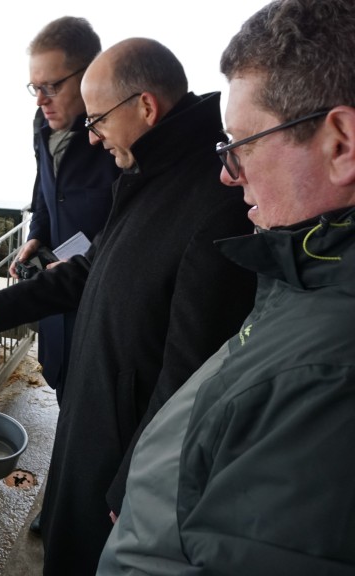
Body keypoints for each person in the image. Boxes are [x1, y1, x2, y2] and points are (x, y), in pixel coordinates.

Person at [0, 38, 257, 575]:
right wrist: (0, 306)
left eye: (98, 121)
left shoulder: (213, 205)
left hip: (121, 461)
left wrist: (134, 482)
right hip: (94, 427)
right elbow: (95, 270)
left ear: (145, 107)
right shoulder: (145, 175)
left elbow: (190, 379)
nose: (91, 137)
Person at [98, 1, 355, 574]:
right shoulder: (300, 275)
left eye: (241, 143)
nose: (226, 172)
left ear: (340, 143)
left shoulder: (329, 374)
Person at [18, 16, 120, 405]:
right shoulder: (41, 123)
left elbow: (132, 222)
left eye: (51, 87)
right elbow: (44, 186)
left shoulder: (116, 134)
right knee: (61, 381)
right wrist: (37, 234)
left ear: (88, 75)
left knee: (92, 397)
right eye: (35, 87)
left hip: (101, 296)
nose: (41, 100)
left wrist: (91, 262)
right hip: (58, 285)